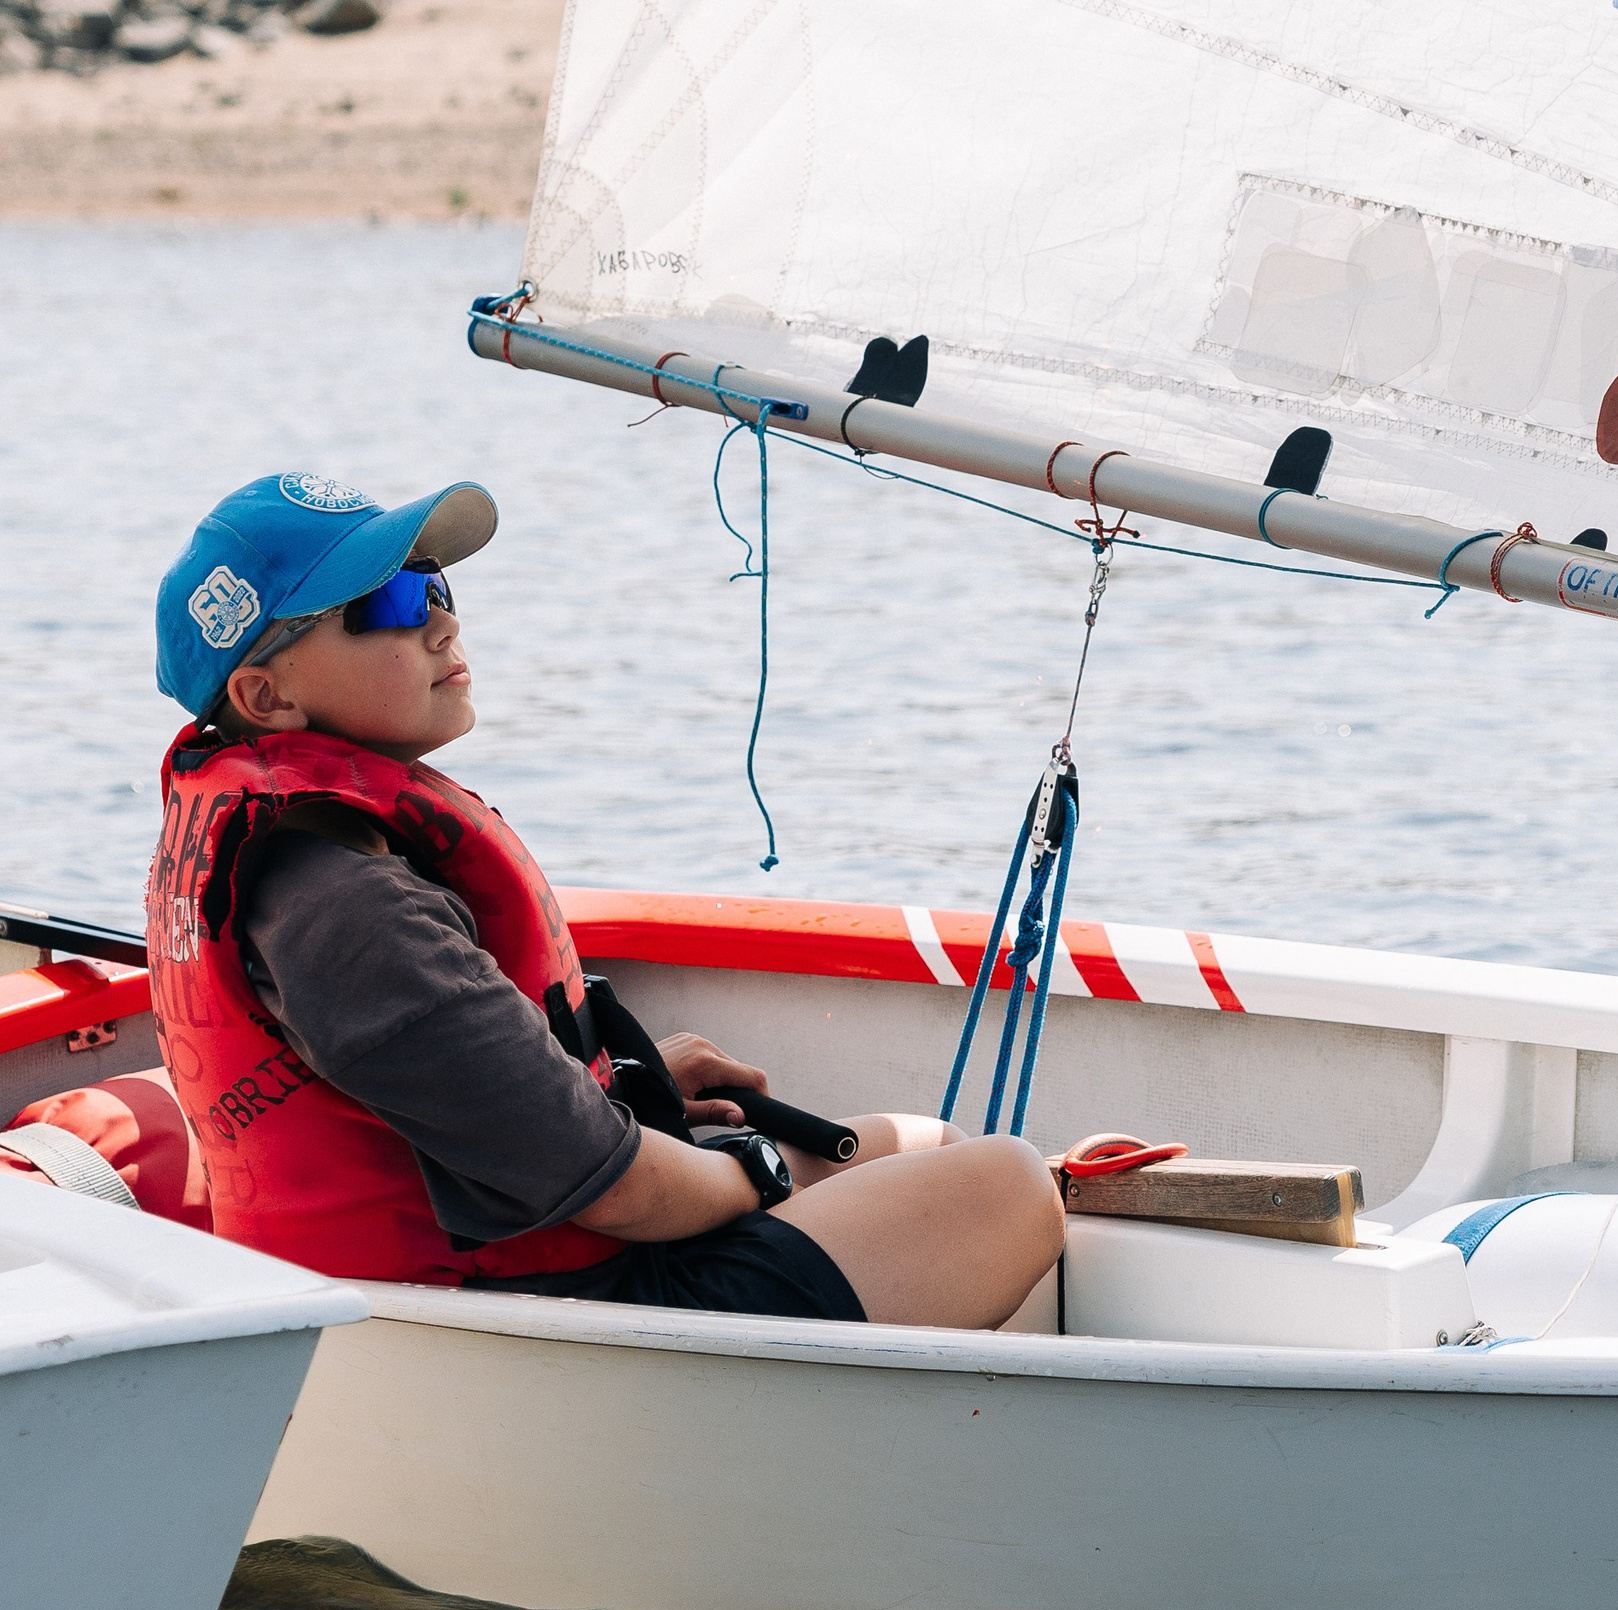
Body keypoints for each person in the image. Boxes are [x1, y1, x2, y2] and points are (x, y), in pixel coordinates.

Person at [146, 472, 1062, 1328]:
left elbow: (451, 1098)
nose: (437, 625)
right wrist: (753, 1165)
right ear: (267, 695)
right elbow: (616, 1185)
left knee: (921, 1140)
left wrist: (617, 1081)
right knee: (1010, 1188)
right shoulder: (344, 904)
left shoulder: (302, 860)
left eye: (435, 588)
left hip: (470, 1290)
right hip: (532, 1324)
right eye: (382, 605)